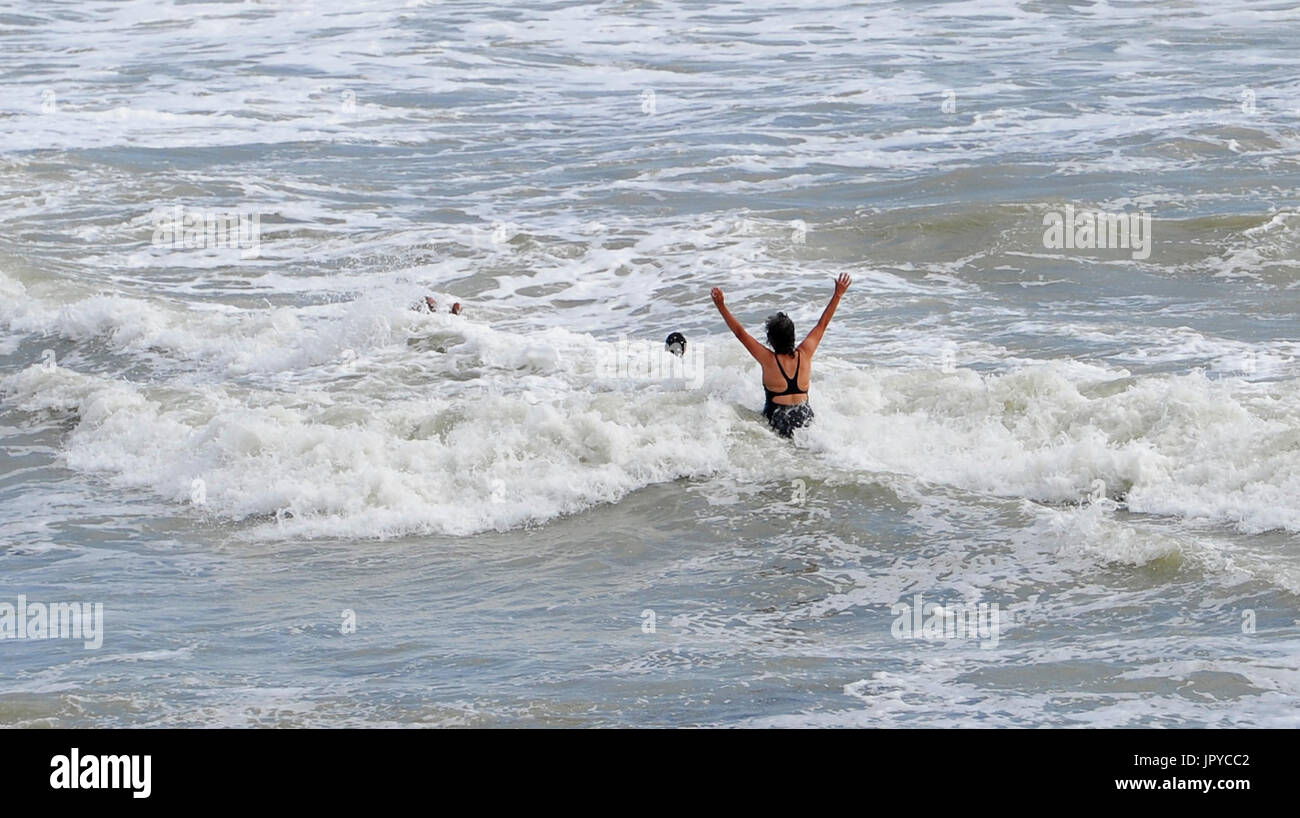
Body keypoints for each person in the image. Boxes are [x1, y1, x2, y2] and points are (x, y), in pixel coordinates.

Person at [711, 273, 851, 437]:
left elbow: (740, 334)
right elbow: (822, 324)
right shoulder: (805, 354)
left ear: (770, 339)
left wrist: (721, 305)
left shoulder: (768, 360)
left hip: (779, 419)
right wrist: (838, 294)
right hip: (805, 417)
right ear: (793, 336)